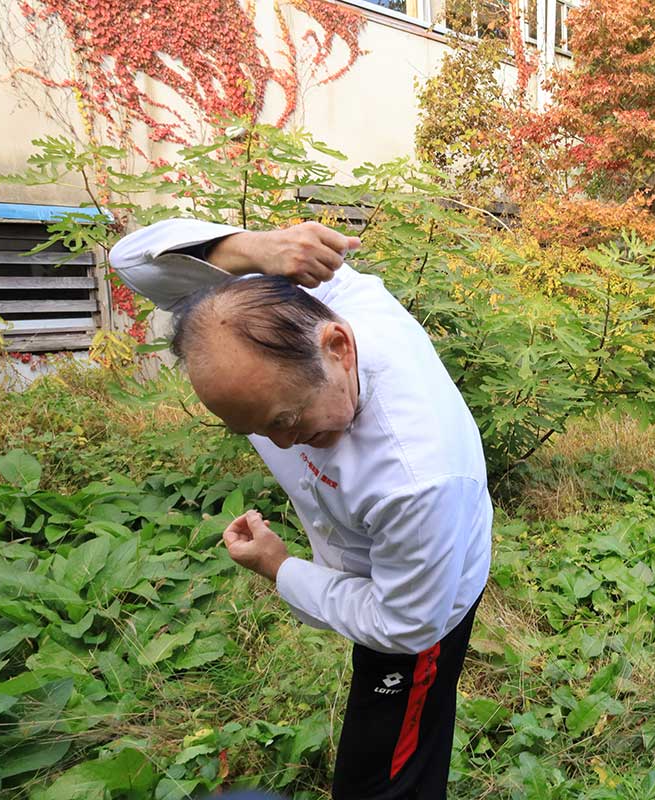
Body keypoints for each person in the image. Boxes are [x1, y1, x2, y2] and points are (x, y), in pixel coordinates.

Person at [110, 219, 493, 800]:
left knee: (387, 769)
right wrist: (247, 248)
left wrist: (280, 568)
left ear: (338, 349)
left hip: (427, 605)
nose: (281, 446)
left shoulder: (417, 475)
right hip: (377, 564)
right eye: (255, 430)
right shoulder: (288, 309)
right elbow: (131, 260)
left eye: (286, 421)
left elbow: (405, 624)